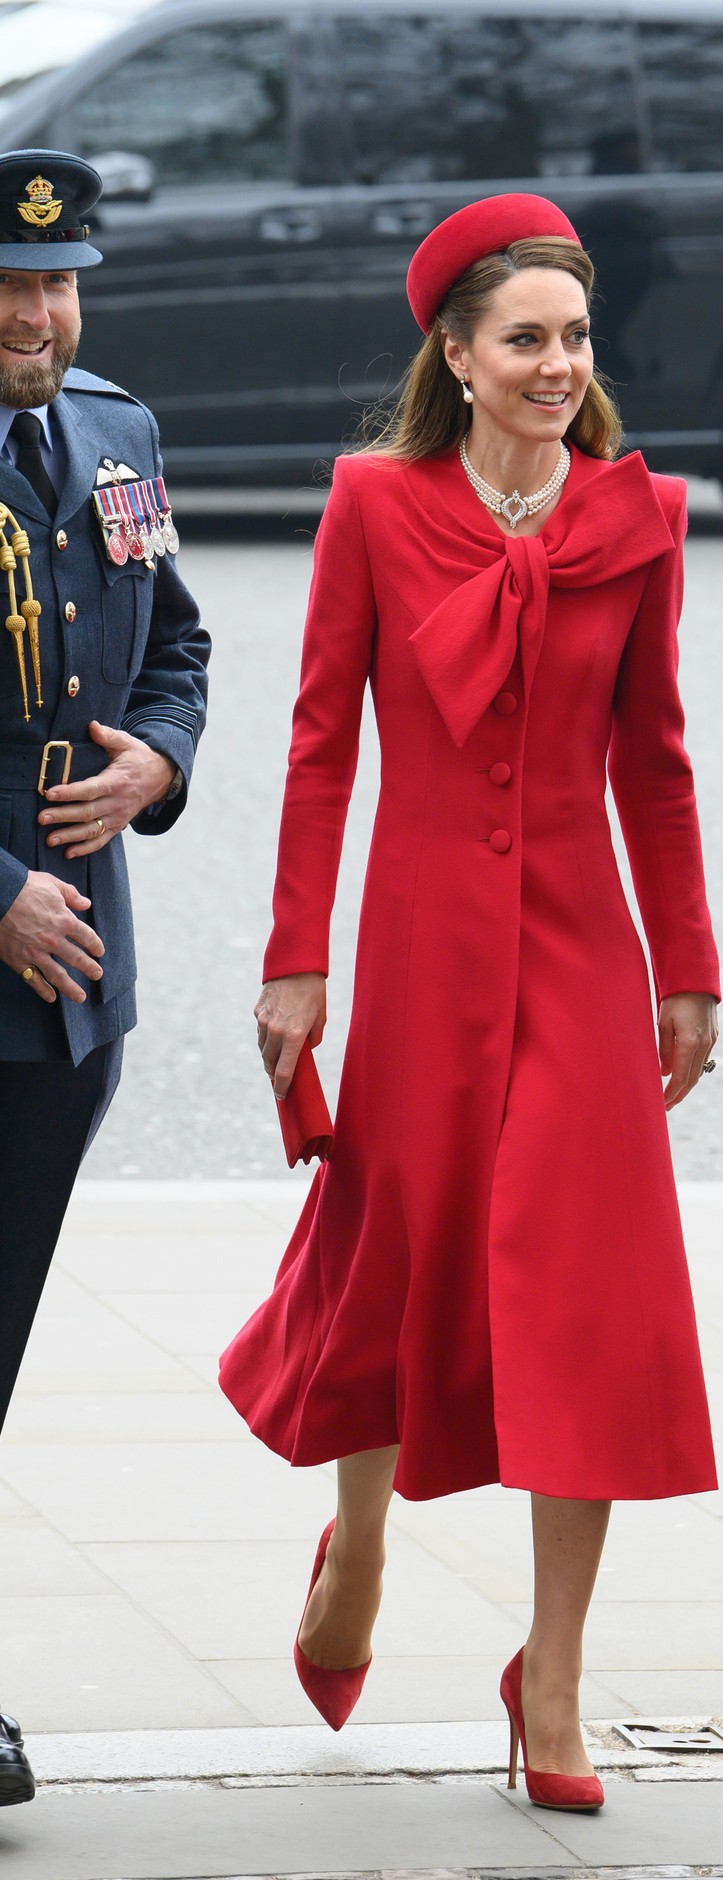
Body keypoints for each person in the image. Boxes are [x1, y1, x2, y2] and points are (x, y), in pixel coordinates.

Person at [218, 194, 720, 1815]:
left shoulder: (634, 521)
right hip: (425, 949)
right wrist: (297, 957)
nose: (559, 365)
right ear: (455, 348)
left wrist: (691, 964)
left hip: (582, 957)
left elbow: (657, 761)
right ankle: (358, 1538)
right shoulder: (374, 507)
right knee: (399, 1262)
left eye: (575, 338)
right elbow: (317, 747)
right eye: (527, 339)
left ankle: (552, 1679)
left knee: (594, 1299)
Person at [0, 148, 208, 1808]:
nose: (37, 313)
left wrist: (160, 765)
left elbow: (182, 648)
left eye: (58, 285)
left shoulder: (117, 435)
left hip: (74, 1005)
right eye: (9, 285)